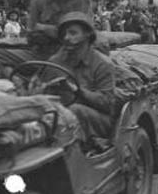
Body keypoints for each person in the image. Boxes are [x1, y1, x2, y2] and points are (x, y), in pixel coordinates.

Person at [48, 11, 115, 144]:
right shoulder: (55, 61)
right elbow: (44, 92)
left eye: (73, 33)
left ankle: (79, 150)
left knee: (75, 110)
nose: (67, 38)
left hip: (97, 119)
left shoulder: (102, 64)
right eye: (64, 34)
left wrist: (78, 90)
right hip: (60, 114)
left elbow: (108, 103)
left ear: (87, 35)